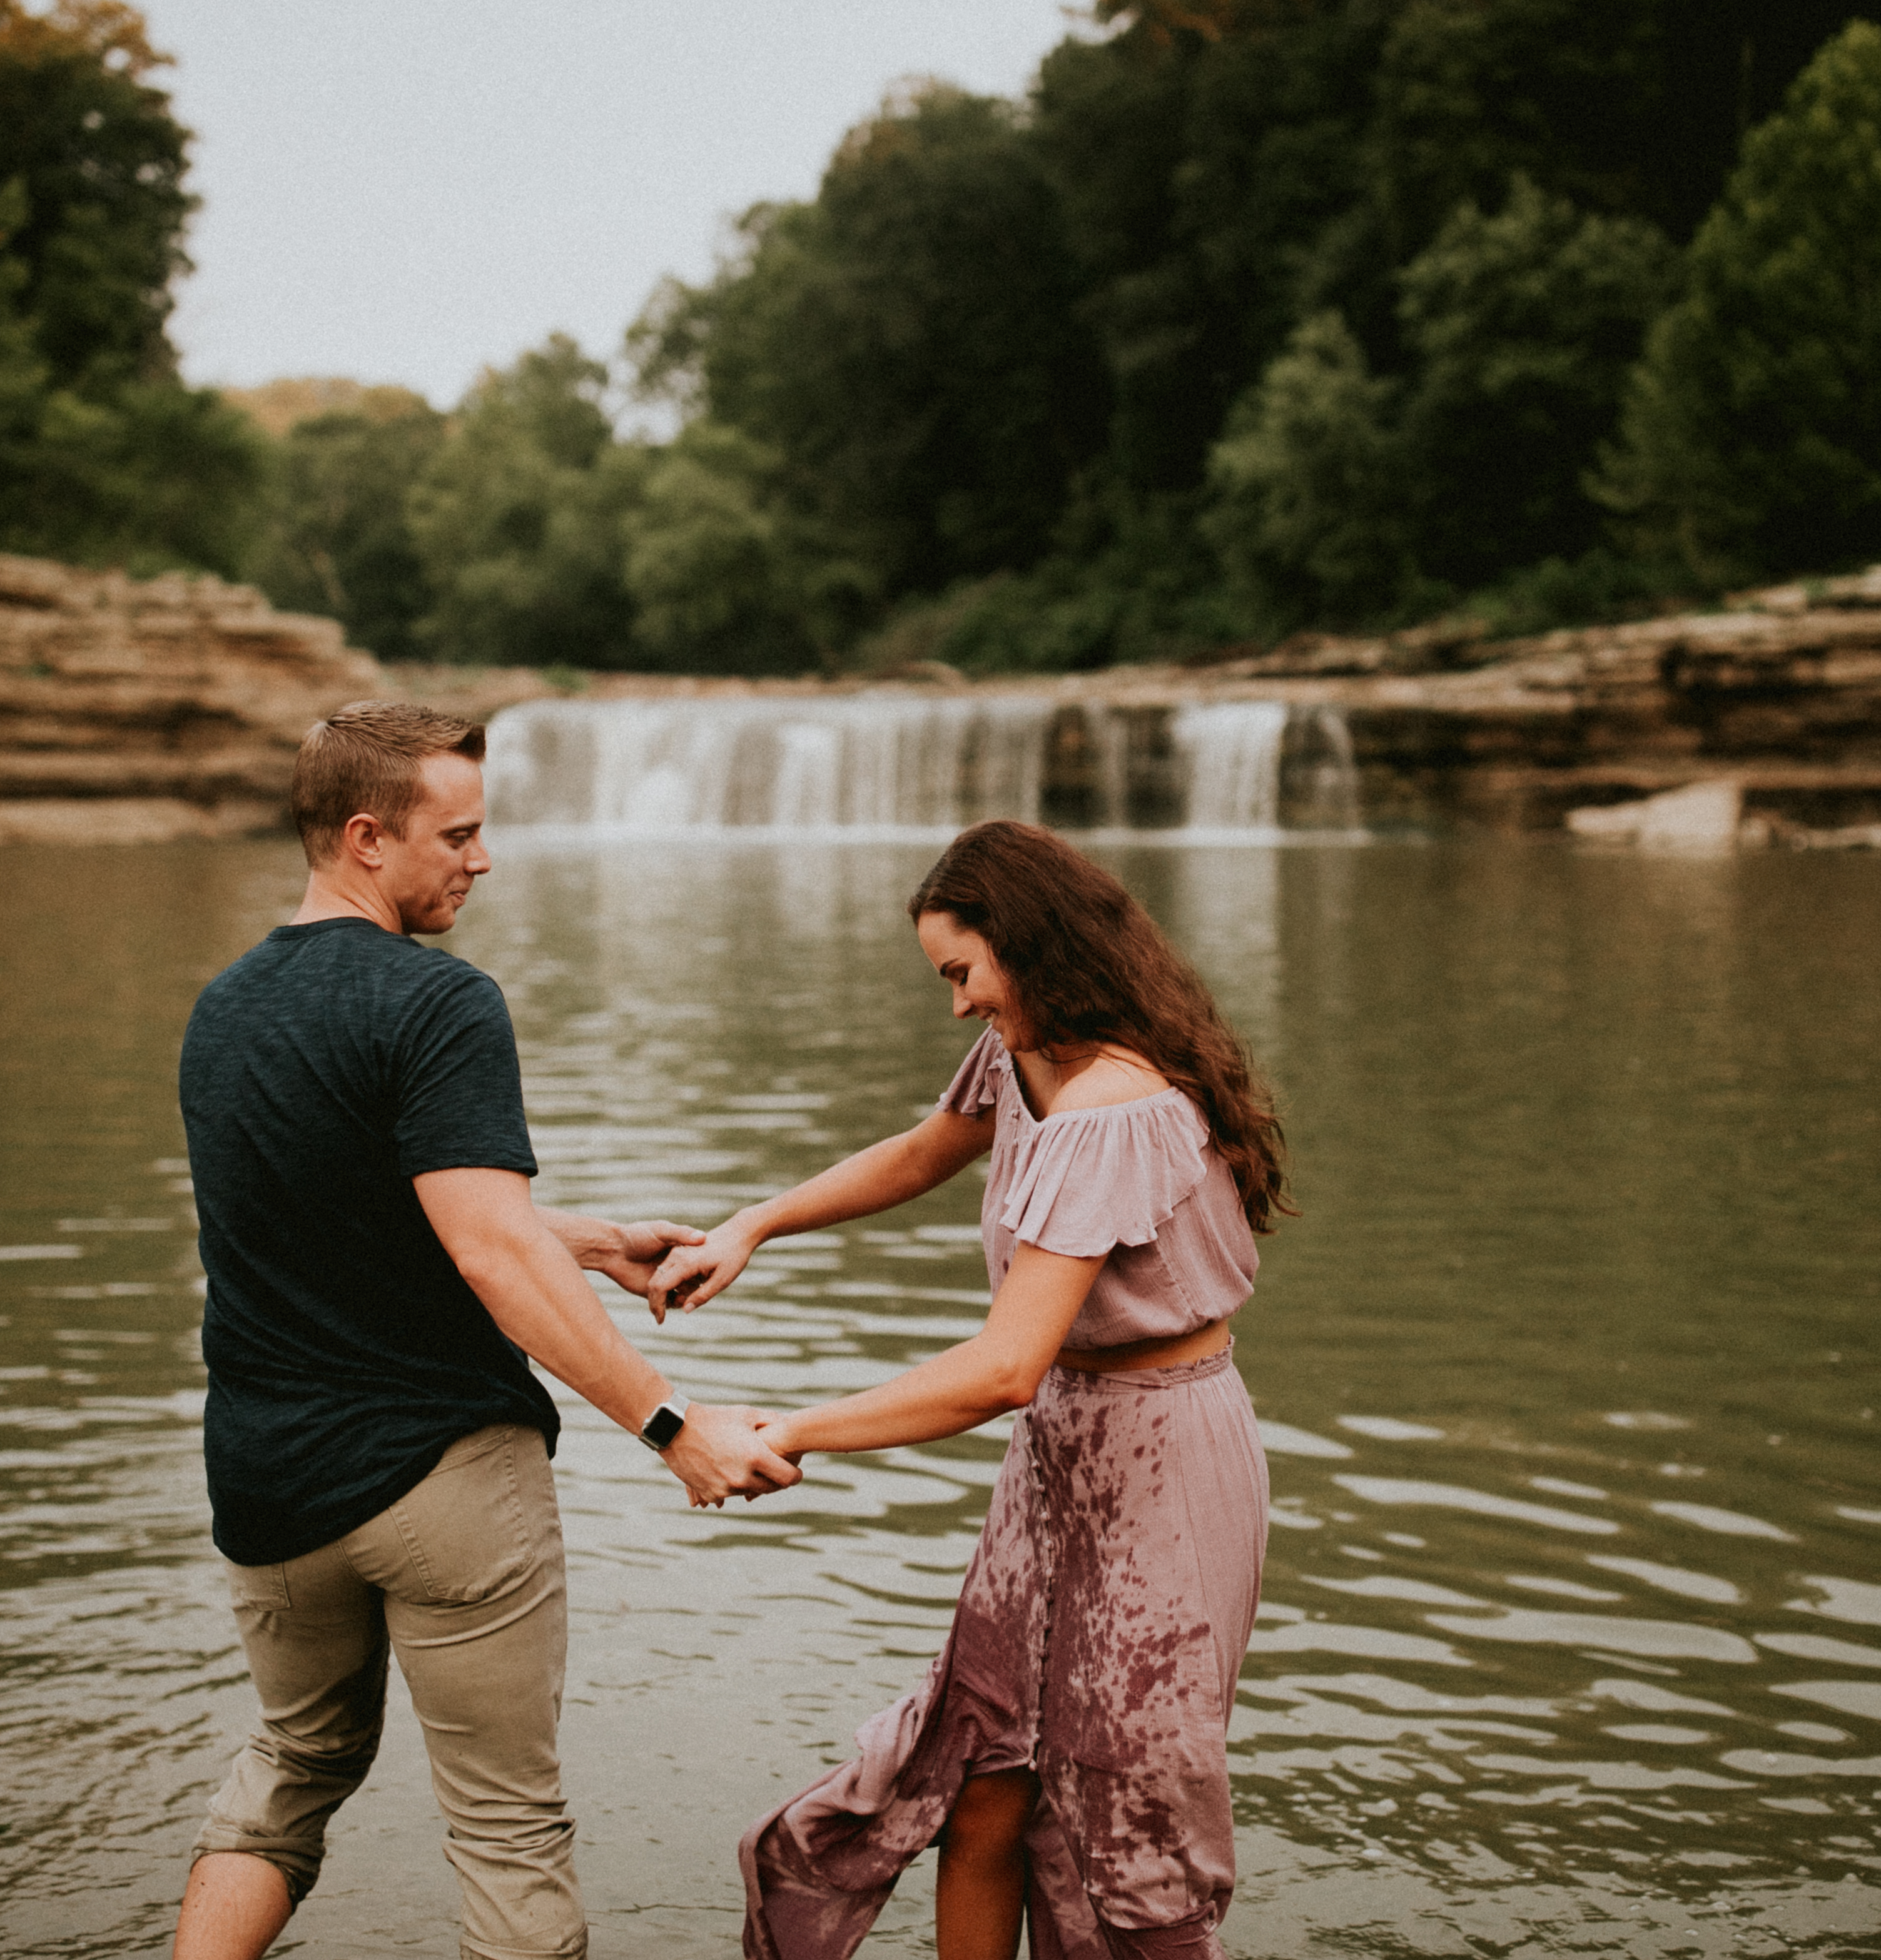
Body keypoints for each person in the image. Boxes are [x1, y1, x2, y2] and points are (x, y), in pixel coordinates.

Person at [170, 700, 799, 1960]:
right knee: (509, 1831)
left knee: (290, 1770)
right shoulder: (438, 1002)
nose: (483, 858)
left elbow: (371, 1200)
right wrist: (668, 1424)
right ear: (366, 838)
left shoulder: (223, 1011)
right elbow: (482, 1245)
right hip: (439, 1478)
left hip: (268, 1486)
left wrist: (592, 1237)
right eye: (455, 834)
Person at [646, 820, 1290, 1960]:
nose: (955, 1005)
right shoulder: (1025, 1049)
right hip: (1059, 1451)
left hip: (1164, 1461)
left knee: (1127, 1812)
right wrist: (755, 1223)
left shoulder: (1114, 1106)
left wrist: (791, 1427)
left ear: (1028, 942)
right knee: (985, 1777)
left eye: (960, 972)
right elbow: (922, 1149)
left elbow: (1000, 1369)